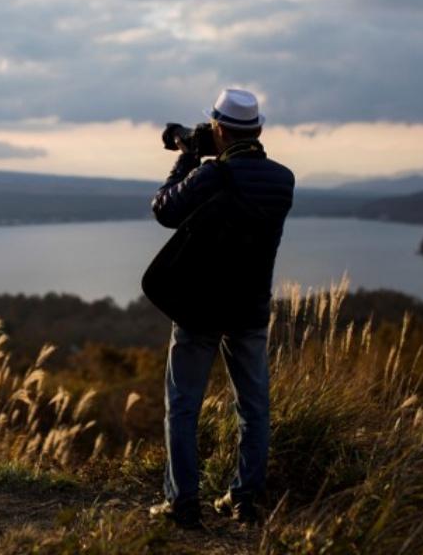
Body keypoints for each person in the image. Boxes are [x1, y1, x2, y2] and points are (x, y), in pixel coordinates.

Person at [147, 88, 295, 527]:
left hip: (200, 309)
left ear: (218, 128)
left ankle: (183, 502)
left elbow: (164, 209)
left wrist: (189, 155)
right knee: (254, 409)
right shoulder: (283, 180)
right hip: (249, 309)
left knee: (184, 405)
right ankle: (244, 500)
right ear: (260, 130)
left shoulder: (212, 176)